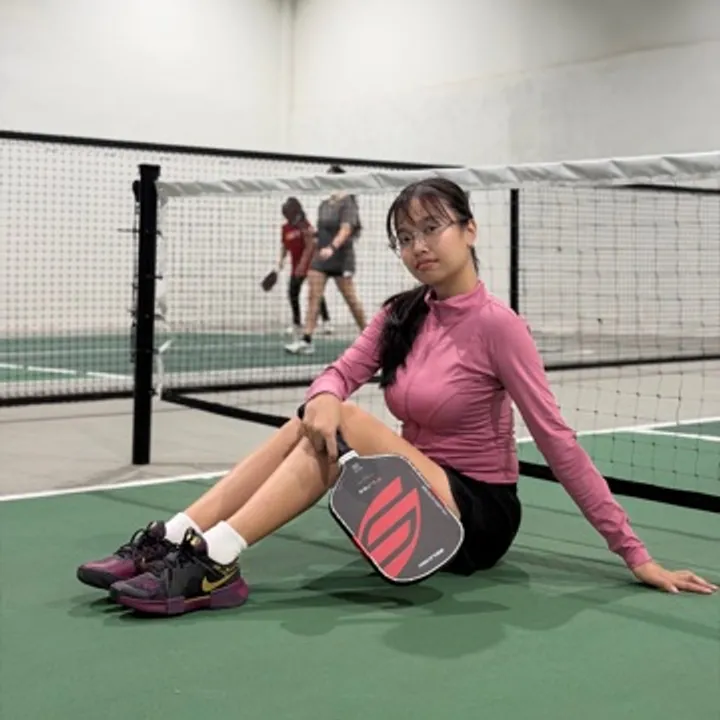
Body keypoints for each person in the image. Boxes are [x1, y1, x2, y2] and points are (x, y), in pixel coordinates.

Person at [77, 177, 717, 616]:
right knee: (314, 421)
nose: (418, 247)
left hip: (476, 515)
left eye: (431, 229)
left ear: (470, 230)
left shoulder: (500, 327)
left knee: (343, 421)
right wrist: (322, 397)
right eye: (405, 238)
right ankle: (178, 537)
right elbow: (337, 374)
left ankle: (214, 560)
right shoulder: (400, 314)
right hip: (413, 493)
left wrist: (635, 554)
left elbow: (558, 443)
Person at [285, 165, 367, 355]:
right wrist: (313, 237)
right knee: (313, 296)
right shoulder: (324, 205)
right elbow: (322, 231)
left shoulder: (348, 203)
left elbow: (346, 230)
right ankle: (306, 340)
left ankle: (370, 337)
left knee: (351, 299)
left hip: (341, 258)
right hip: (321, 258)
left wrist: (332, 247)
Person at [279, 197, 332, 337]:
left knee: (316, 293)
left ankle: (326, 322)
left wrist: (302, 265)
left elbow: (310, 246)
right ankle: (296, 323)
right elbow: (284, 246)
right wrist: (281, 261)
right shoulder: (285, 228)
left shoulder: (305, 225)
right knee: (293, 293)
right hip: (296, 266)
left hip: (311, 264)